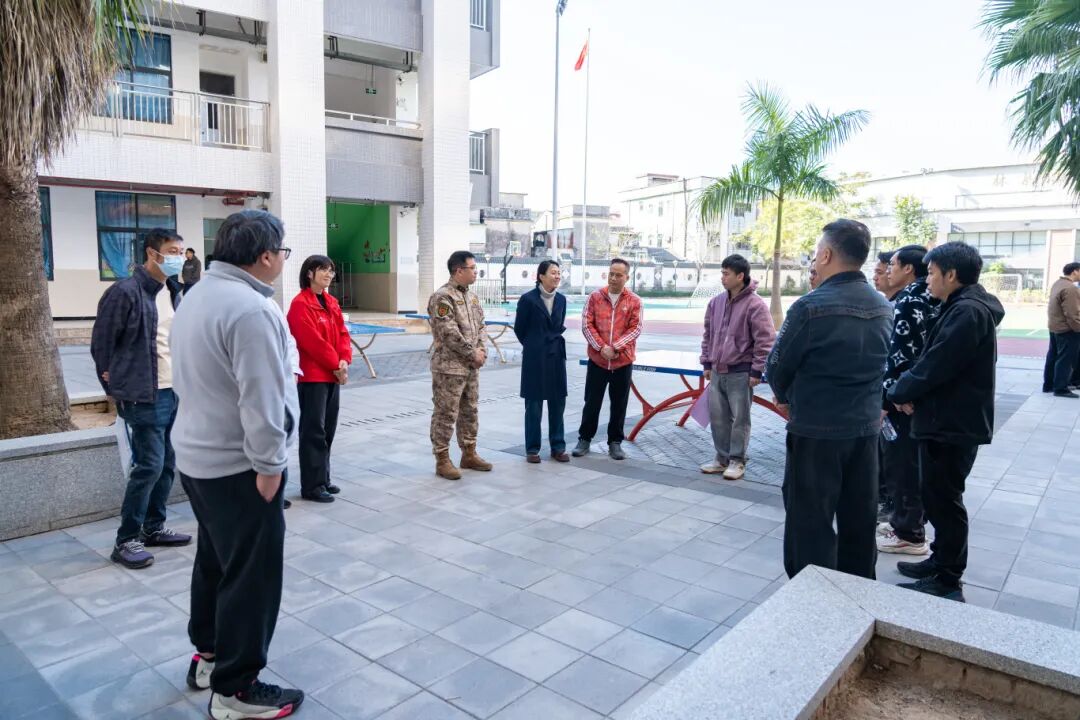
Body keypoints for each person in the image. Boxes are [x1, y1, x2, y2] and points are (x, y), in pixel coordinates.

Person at [170, 210, 304, 719]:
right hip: (239, 467)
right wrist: (270, 466)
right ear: (265, 256)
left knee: (216, 562)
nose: (282, 260)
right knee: (252, 576)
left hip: (200, 458)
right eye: (282, 252)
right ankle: (236, 689)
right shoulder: (250, 310)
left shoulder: (198, 294)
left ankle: (209, 657)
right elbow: (262, 398)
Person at [765, 219, 891, 581]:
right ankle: (858, 590)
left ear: (826, 255)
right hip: (865, 429)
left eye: (816, 252)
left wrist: (785, 398)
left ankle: (813, 595)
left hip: (816, 430)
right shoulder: (883, 305)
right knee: (859, 519)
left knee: (810, 522)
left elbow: (776, 366)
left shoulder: (810, 306)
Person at [887, 242, 1004, 602]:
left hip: (952, 424)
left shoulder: (967, 312)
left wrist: (898, 391)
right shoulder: (961, 306)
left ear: (951, 275)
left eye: (933, 273)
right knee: (936, 496)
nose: (928, 281)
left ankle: (948, 577)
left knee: (944, 501)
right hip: (946, 419)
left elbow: (935, 365)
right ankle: (940, 561)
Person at [91, 228, 191, 570]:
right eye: (172, 251)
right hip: (142, 393)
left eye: (181, 251)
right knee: (148, 466)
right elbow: (102, 344)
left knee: (166, 463)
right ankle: (126, 540)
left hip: (172, 390)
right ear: (152, 253)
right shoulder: (125, 292)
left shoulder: (172, 290)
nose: (179, 257)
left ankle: (153, 527)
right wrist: (113, 384)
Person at [877, 245, 939, 556]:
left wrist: (891, 397)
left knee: (902, 466)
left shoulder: (910, 300)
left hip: (903, 400)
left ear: (909, 269)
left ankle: (909, 534)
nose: (888, 270)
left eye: (893, 264)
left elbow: (900, 355)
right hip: (918, 397)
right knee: (909, 464)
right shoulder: (929, 297)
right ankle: (905, 523)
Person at [698, 254, 776, 480]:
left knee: (740, 419)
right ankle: (721, 459)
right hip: (717, 370)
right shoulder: (716, 303)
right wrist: (706, 362)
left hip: (741, 372)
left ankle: (737, 460)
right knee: (718, 418)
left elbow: (765, 341)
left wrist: (757, 370)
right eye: (722, 273)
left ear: (740, 276)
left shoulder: (755, 305)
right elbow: (708, 334)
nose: (722, 277)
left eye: (726, 273)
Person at [287, 255, 352, 503]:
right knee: (313, 431)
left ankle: (323, 478)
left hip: (333, 374)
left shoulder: (331, 301)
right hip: (313, 377)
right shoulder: (300, 304)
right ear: (309, 273)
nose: (328, 274)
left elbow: (343, 334)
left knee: (327, 429)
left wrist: (344, 360)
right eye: (323, 270)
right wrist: (337, 365)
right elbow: (312, 342)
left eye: (331, 270)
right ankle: (312, 486)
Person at [428, 251, 493, 480]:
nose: (476, 272)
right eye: (472, 268)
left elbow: (482, 325)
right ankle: (442, 459)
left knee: (470, 410)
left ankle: (469, 453)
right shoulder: (442, 297)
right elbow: (448, 332)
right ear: (459, 270)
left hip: (471, 367)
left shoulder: (472, 297)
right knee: (446, 413)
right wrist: (471, 353)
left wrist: (482, 350)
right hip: (449, 368)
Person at [573, 258, 644, 460]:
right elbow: (587, 325)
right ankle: (584, 439)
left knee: (619, 404)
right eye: (611, 273)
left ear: (627, 277)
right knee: (592, 402)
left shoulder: (634, 301)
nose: (613, 278)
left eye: (618, 275)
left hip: (623, 362)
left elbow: (636, 328)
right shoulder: (595, 297)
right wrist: (601, 348)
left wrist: (616, 348)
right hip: (598, 361)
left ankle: (615, 442)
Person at [514, 260, 569, 463]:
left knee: (558, 402)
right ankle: (532, 449)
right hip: (535, 358)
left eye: (558, 273)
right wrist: (534, 345)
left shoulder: (562, 299)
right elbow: (520, 329)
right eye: (553, 273)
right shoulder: (528, 299)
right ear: (541, 276)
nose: (557, 276)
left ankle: (558, 447)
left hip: (556, 356)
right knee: (534, 404)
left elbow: (558, 324)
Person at [1042, 262, 1080, 398]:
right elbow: (1072, 314)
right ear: (1075, 271)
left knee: (1053, 356)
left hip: (1054, 327)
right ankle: (1060, 388)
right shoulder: (1071, 288)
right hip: (1067, 329)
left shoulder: (1058, 283)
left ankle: (1049, 385)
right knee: (1065, 359)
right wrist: (1078, 329)